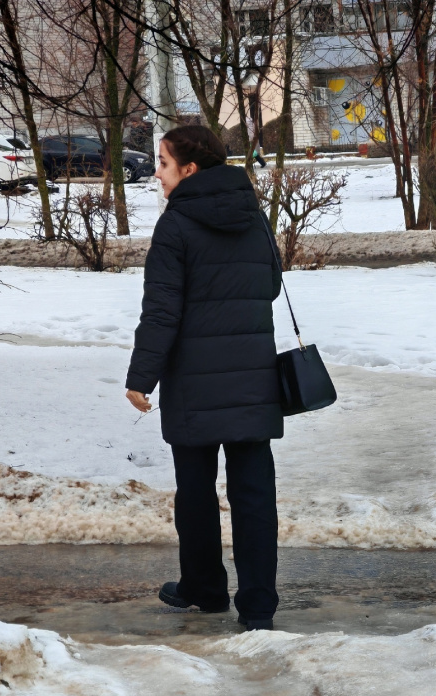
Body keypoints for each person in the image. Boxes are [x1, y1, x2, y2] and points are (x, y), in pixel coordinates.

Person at [125, 125, 283, 632]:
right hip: (254, 377)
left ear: (189, 170)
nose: (157, 172)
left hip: (194, 381)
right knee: (254, 494)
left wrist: (141, 377)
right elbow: (271, 284)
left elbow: (162, 312)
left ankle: (206, 588)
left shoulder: (176, 225)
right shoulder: (253, 215)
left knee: (195, 492)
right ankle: (258, 606)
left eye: (164, 164)